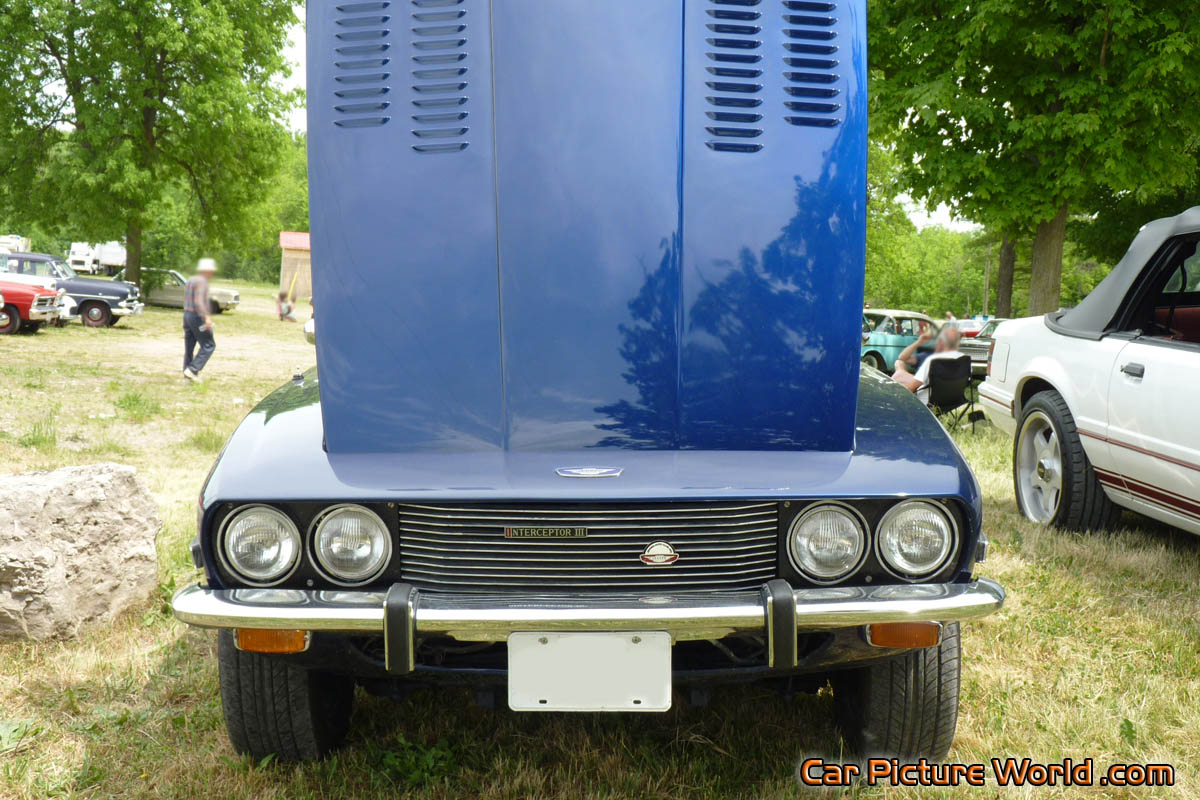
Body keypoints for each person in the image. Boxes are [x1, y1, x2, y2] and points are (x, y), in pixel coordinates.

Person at [892, 325, 962, 405]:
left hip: (926, 397)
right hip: (951, 398)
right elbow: (902, 358)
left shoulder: (933, 360)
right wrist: (919, 342)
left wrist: (899, 396)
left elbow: (912, 387)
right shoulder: (962, 358)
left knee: (898, 373)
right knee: (899, 363)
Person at [182, 258, 217, 382]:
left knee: (189, 346)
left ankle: (187, 374)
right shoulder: (203, 282)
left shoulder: (191, 280)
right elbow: (199, 302)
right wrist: (206, 317)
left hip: (187, 315)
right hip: (197, 316)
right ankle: (192, 370)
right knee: (209, 345)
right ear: (207, 271)